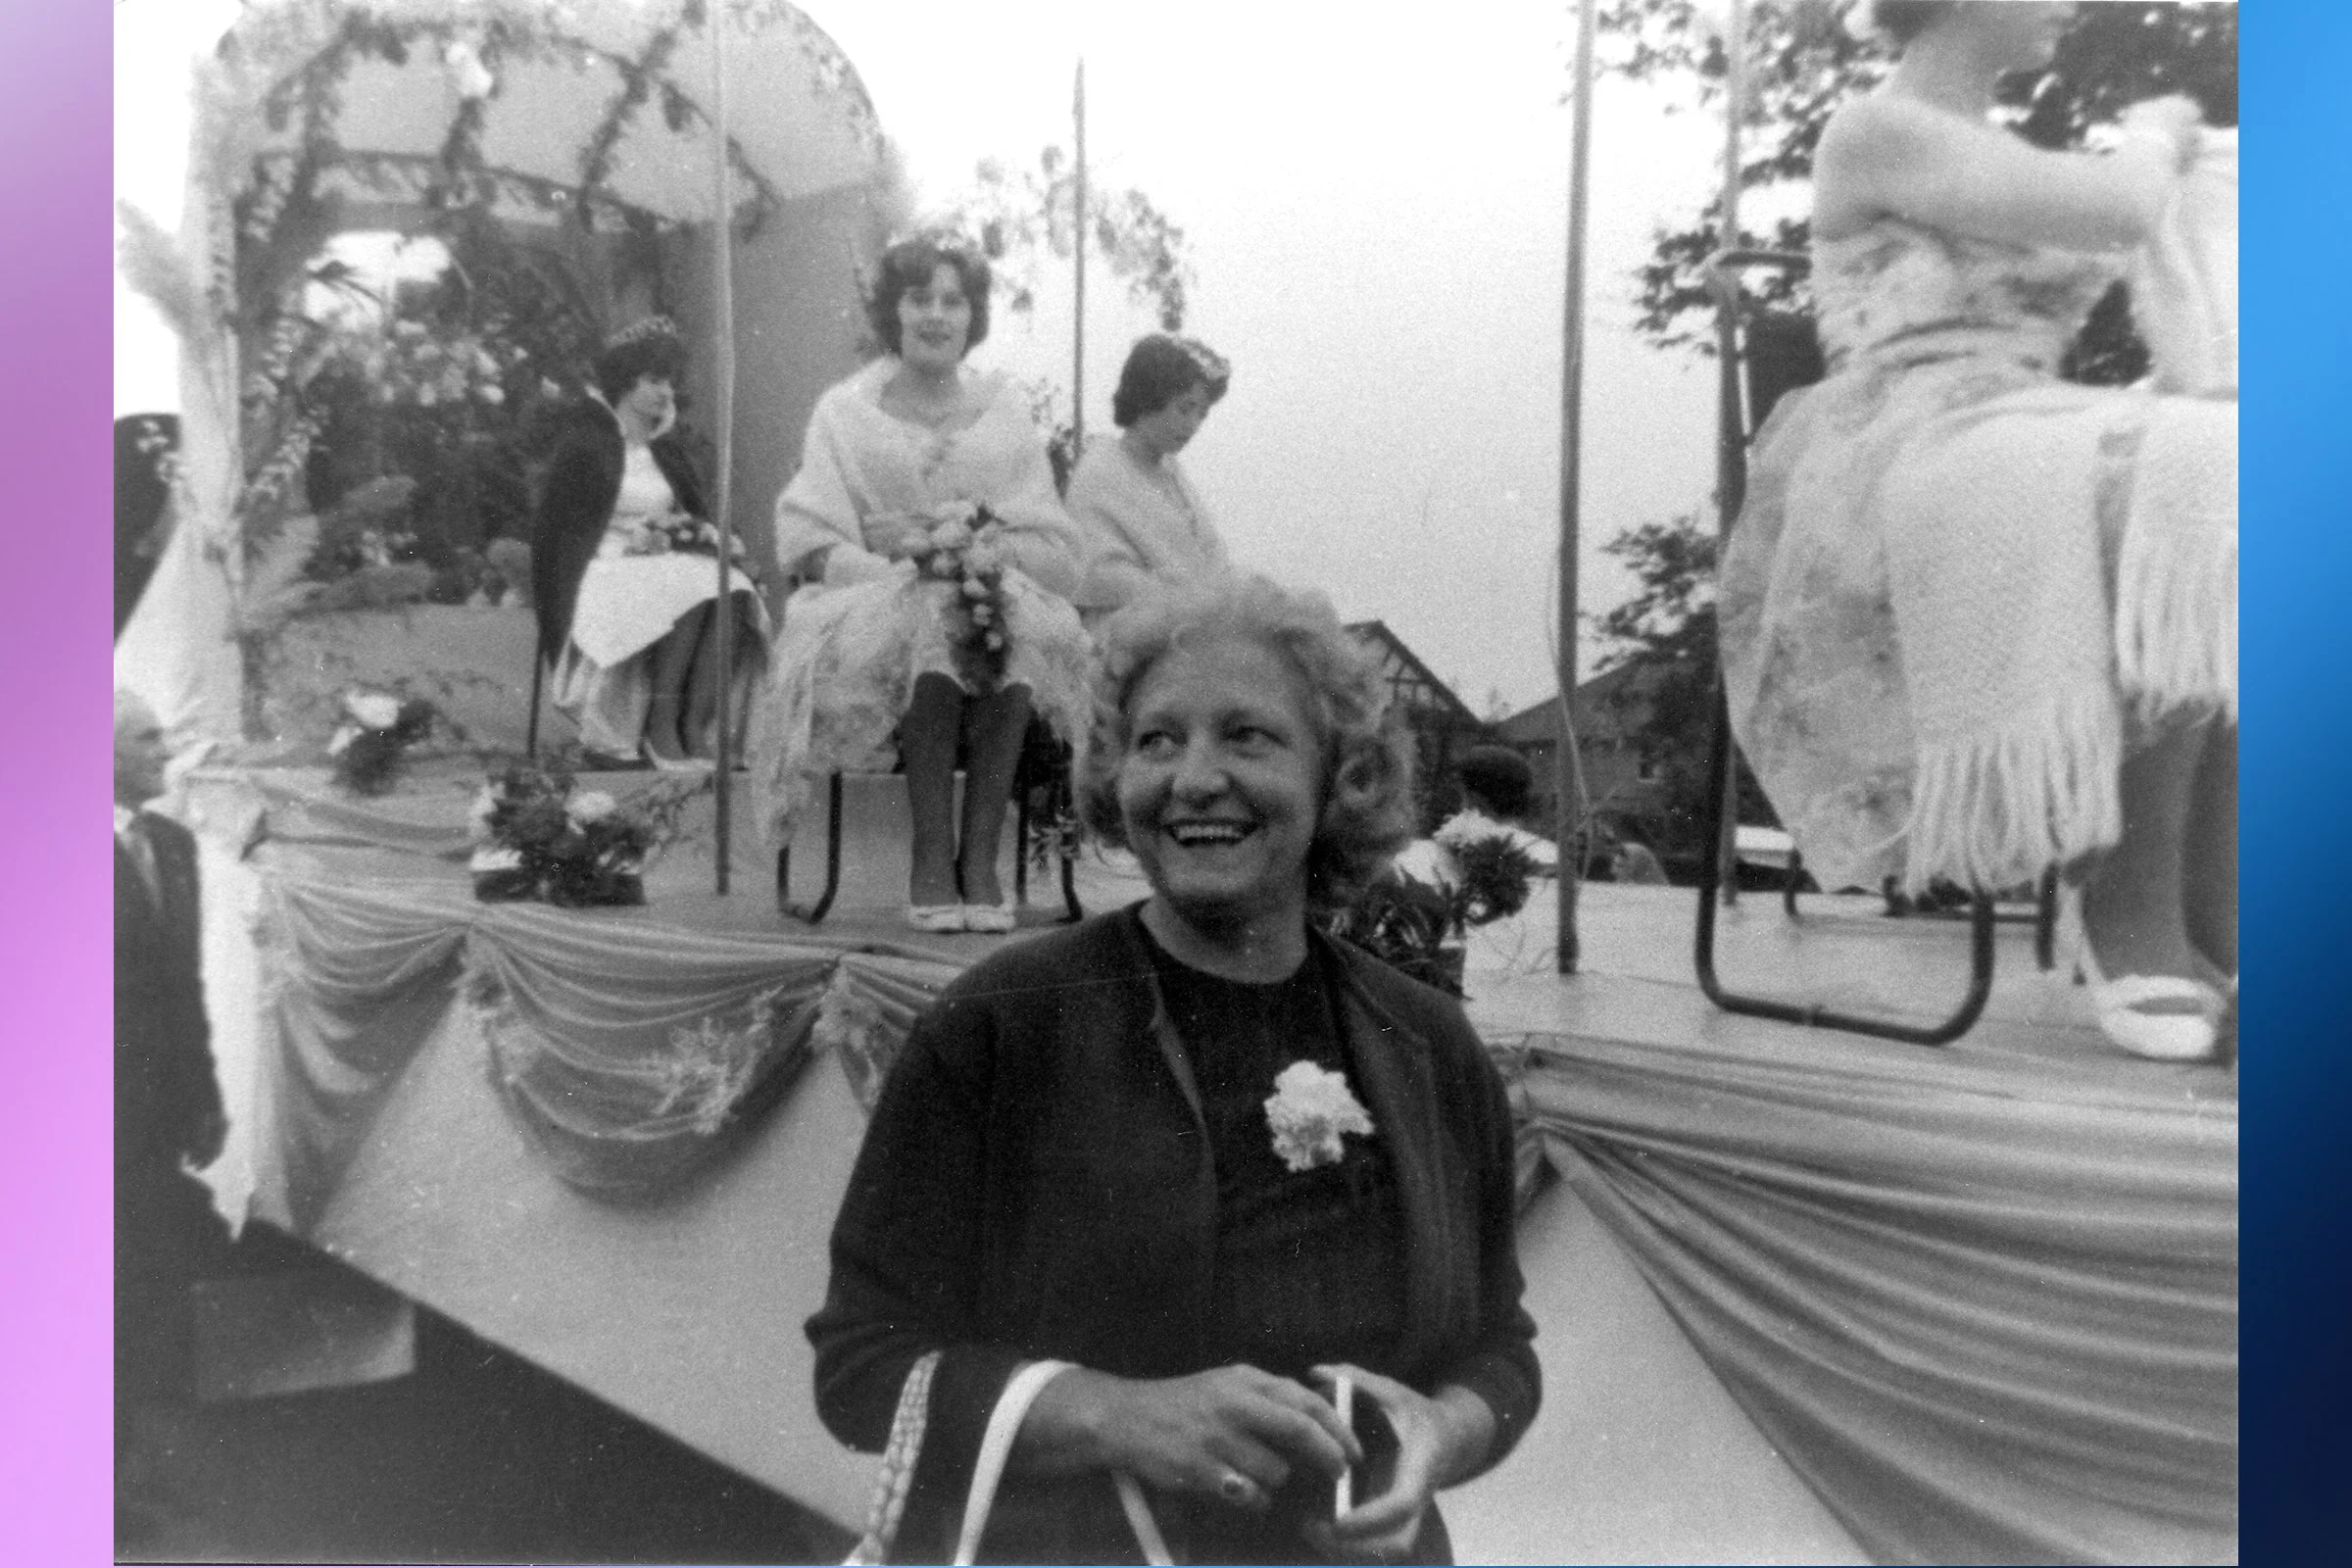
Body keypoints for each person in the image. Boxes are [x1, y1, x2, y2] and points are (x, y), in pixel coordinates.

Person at [807, 574, 1540, 1564]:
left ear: (1340, 778)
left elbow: (1500, 1350)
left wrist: (1441, 1431)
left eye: (1248, 736)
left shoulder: (1426, 1043)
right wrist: (1114, 1414)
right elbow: (861, 1366)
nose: (1194, 777)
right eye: (1157, 740)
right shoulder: (997, 1024)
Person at [1718, 0, 2234, 1060]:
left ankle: (2208, 895)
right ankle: (2121, 897)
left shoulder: (1997, 147)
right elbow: (2118, 207)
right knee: (2185, 466)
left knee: (2241, 474)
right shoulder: (1874, 129)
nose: (2066, 4)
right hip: (1905, 442)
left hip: (2022, 418)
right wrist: (2153, 131)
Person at [753, 232, 1091, 933]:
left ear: (972, 317)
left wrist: (983, 552)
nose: (936, 315)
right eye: (918, 298)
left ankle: (981, 857)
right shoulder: (844, 412)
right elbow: (810, 537)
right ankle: (932, 852)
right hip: (868, 599)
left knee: (1007, 615)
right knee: (937, 612)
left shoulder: (1004, 412)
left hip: (988, 587)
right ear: (892, 311)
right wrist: (897, 564)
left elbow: (1049, 534)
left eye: (953, 301)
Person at [532, 318, 769, 767]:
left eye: (671, 383)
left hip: (660, 562)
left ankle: (693, 724)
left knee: (730, 587)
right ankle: (661, 724)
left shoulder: (668, 452)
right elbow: (555, 531)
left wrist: (709, 539)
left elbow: (694, 514)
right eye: (654, 380)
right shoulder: (587, 446)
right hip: (602, 566)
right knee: (689, 585)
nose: (665, 392)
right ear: (625, 380)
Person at [115, 690, 228, 1544]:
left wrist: (206, 1098)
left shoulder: (174, 846)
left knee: (142, 1293)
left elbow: (186, 991)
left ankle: (129, 1477)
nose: (166, 751)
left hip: (154, 1127)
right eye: (148, 739)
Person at [1065, 334, 1233, 629]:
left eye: (1201, 413)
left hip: (1193, 633)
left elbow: (1212, 558)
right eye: (1184, 408)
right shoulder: (1100, 472)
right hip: (1123, 640)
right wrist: (1184, 599)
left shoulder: (1172, 473)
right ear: (1148, 399)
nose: (1193, 424)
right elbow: (1099, 573)